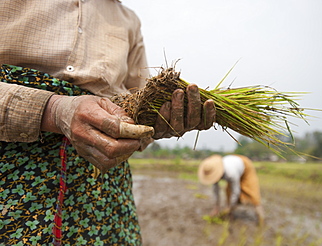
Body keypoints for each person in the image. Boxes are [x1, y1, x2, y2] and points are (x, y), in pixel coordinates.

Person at [0, 1, 216, 245]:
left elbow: (140, 100)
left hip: (103, 187)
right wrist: (55, 109)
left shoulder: (129, 20)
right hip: (11, 171)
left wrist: (157, 122)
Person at [198, 154, 264, 226]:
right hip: (235, 165)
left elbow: (236, 191)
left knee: (254, 196)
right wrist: (216, 208)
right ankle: (230, 216)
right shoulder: (213, 171)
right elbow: (216, 191)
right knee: (228, 194)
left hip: (245, 166)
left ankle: (261, 219)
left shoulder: (231, 173)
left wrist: (230, 207)